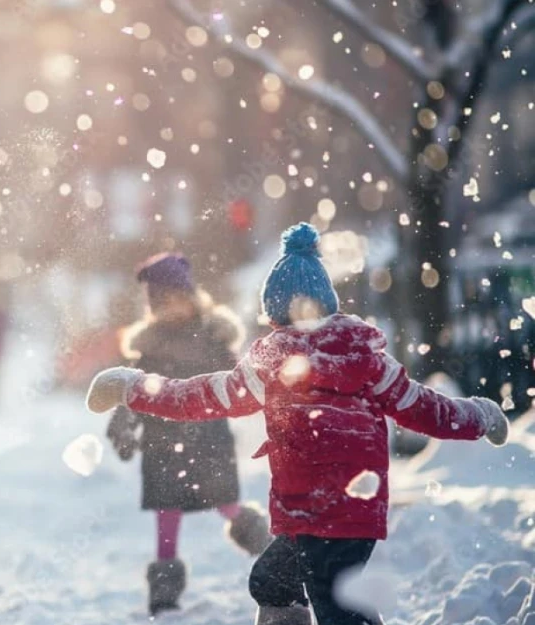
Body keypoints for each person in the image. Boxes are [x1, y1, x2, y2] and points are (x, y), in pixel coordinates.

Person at [86, 223, 510, 625]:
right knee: (271, 583)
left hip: (324, 516)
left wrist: (134, 388)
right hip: (327, 514)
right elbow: (427, 408)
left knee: (338, 612)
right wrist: (479, 416)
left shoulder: (272, 363)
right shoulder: (369, 362)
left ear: (274, 312)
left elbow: (199, 397)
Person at [106, 253, 271, 615]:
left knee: (225, 503)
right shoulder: (149, 350)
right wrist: (122, 423)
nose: (172, 309)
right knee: (167, 515)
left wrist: (259, 393)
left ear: (192, 298)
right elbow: (132, 391)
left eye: (177, 299)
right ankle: (164, 589)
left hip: (208, 439)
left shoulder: (211, 341)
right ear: (153, 308)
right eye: (162, 303)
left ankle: (269, 549)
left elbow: (238, 380)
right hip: (162, 445)